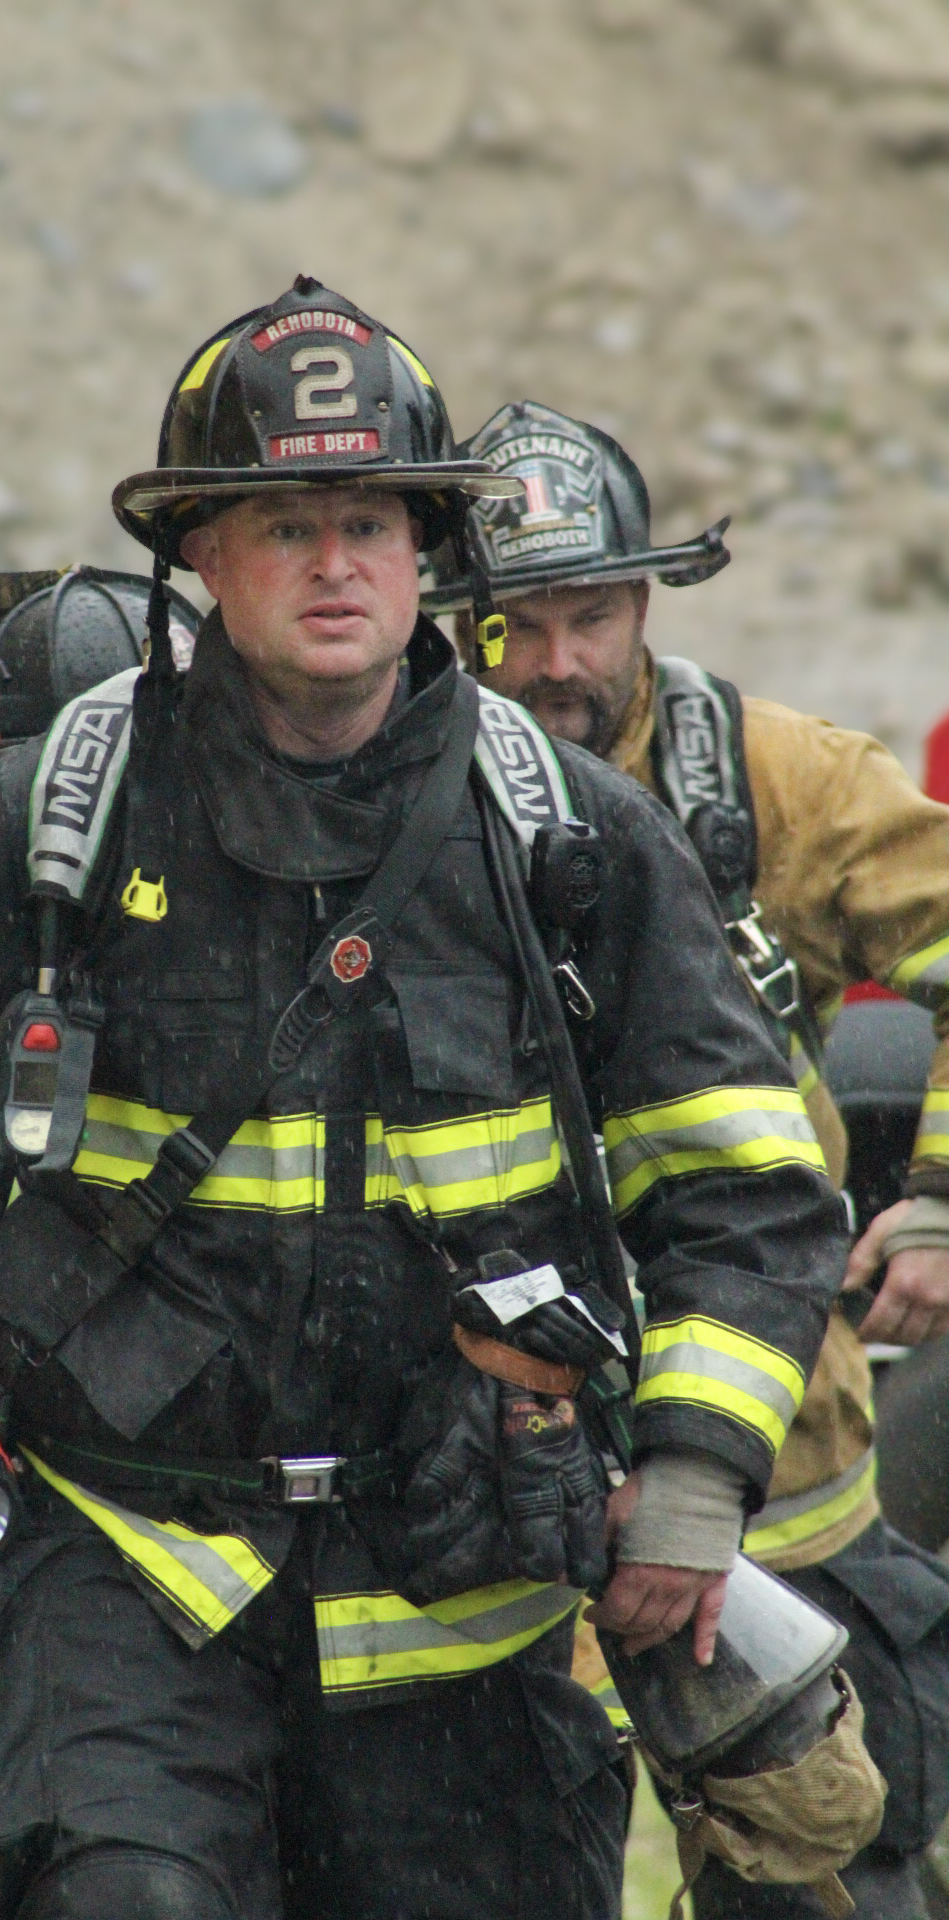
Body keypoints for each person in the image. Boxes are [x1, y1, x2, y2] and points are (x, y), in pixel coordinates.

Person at [0, 286, 846, 1920]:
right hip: (123, 1562)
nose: (332, 564)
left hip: (461, 1592)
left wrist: (690, 1479)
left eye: (368, 519)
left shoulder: (566, 837)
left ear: (427, 555)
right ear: (206, 561)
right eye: (285, 523)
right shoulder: (59, 817)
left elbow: (749, 1186)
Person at [432, 397, 949, 1920]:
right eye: (508, 628)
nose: (556, 664)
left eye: (590, 615)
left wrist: (932, 1199)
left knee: (840, 1866)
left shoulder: (772, 785)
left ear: (646, 598)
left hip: (782, 1465)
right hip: (489, 1483)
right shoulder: (386, 794)